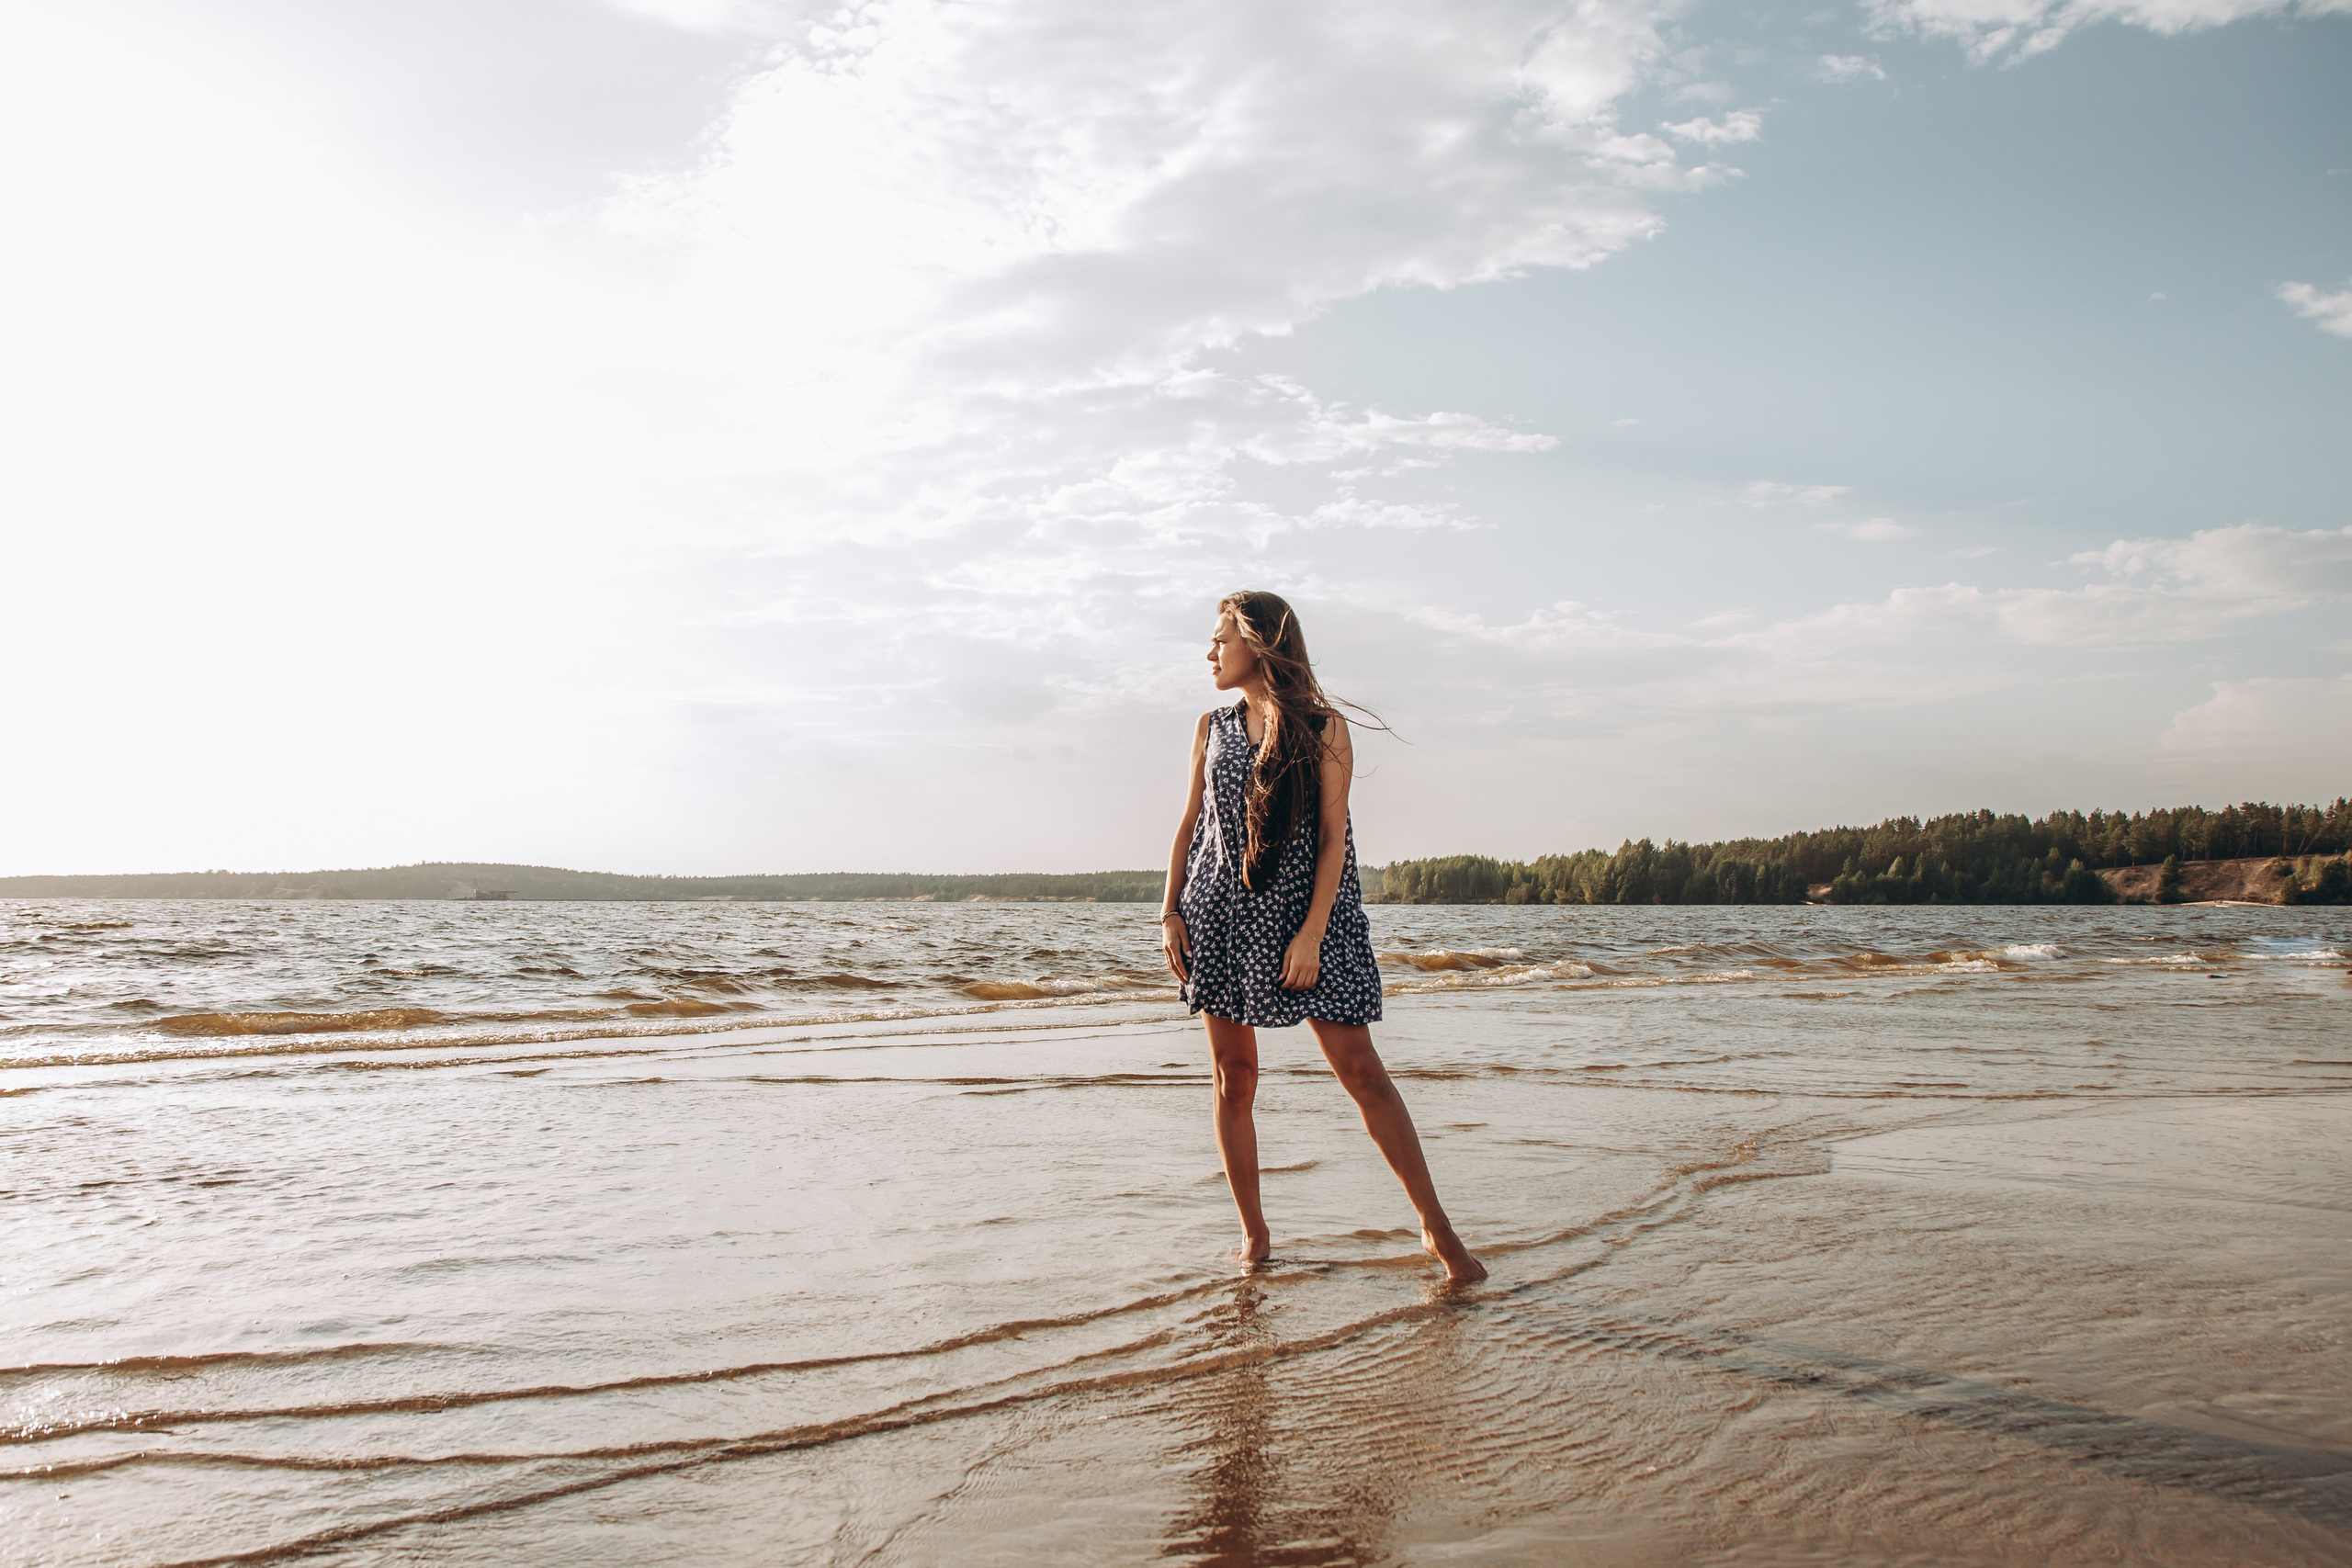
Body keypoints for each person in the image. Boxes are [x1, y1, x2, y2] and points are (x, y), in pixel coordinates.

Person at [1159, 591, 1487, 1283]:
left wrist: (1309, 935)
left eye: (1221, 638)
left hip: (1313, 918)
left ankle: (1437, 1228)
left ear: (1260, 643)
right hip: (1219, 914)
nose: (1209, 652)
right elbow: (1189, 827)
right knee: (1233, 1077)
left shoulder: (1322, 725)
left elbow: (1335, 836)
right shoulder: (1210, 726)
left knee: (1363, 1071)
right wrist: (1170, 911)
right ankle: (1255, 1235)